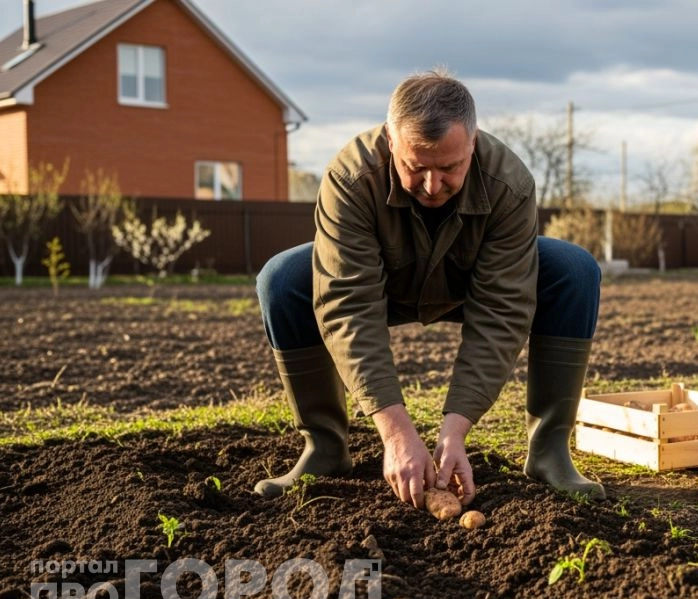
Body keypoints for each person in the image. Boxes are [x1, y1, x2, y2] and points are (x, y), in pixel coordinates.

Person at [253, 67, 605, 509]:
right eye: (415, 167)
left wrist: (454, 431)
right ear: (390, 139)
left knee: (572, 269)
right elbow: (348, 304)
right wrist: (396, 432)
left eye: (450, 168)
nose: (432, 185)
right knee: (283, 279)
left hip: (467, 283)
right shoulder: (350, 177)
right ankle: (324, 449)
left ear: (472, 143)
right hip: (384, 284)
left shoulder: (510, 184)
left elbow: (502, 310)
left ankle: (549, 452)